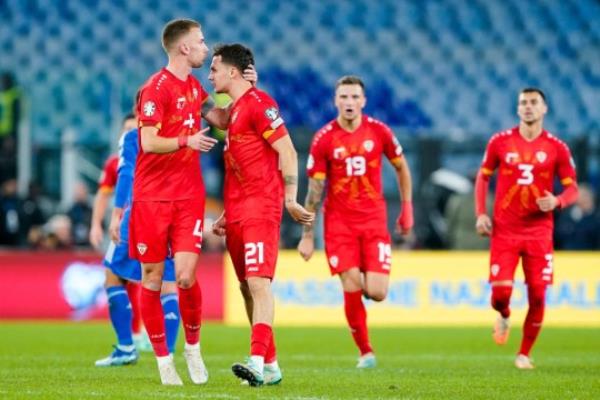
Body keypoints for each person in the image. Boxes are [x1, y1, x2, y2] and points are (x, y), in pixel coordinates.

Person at [131, 19, 256, 385]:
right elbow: (149, 142)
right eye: (200, 43)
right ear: (184, 48)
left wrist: (246, 90)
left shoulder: (194, 88)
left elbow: (221, 119)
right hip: (151, 197)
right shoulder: (155, 89)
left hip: (188, 196)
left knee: (185, 277)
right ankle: (163, 360)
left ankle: (193, 350)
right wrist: (187, 141)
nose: (206, 48)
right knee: (152, 278)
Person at [208, 43, 314, 387]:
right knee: (245, 288)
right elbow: (242, 168)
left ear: (233, 72)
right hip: (237, 212)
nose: (210, 76)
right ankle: (270, 365)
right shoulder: (236, 111)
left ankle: (254, 361)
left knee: (259, 282)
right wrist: (226, 212)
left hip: (261, 207)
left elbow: (288, 150)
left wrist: (290, 198)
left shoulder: (259, 104)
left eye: (214, 69)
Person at [297, 75, 413, 368]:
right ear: (335, 101)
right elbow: (314, 191)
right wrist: (308, 234)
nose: (349, 102)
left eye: (354, 97)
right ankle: (366, 352)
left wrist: (407, 208)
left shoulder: (379, 132)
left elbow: (401, 168)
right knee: (350, 281)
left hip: (374, 221)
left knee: (377, 292)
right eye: (344, 97)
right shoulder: (324, 139)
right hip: (339, 224)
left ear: (364, 101)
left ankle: (359, 292)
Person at [474, 88, 579, 369]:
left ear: (544, 109)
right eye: (523, 103)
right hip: (505, 231)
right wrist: (481, 213)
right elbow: (483, 178)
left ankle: (523, 354)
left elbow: (573, 189)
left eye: (534, 103)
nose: (528, 107)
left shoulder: (557, 147)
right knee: (500, 296)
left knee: (537, 294)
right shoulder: (500, 142)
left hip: (538, 232)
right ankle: (505, 315)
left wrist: (557, 200)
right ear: (518, 109)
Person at [95, 123, 180, 367]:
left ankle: (126, 346)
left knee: (113, 275)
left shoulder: (132, 139)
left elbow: (126, 173)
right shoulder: (175, 137)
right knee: (166, 282)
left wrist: (116, 214)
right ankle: (168, 351)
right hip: (171, 211)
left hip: (138, 213)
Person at [89, 114, 148, 351]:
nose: (129, 133)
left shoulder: (148, 156)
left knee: (137, 278)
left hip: (137, 222)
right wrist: (95, 224)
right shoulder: (114, 163)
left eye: (133, 129)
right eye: (126, 128)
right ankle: (137, 336)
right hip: (130, 223)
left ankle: (132, 341)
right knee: (133, 279)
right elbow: (103, 194)